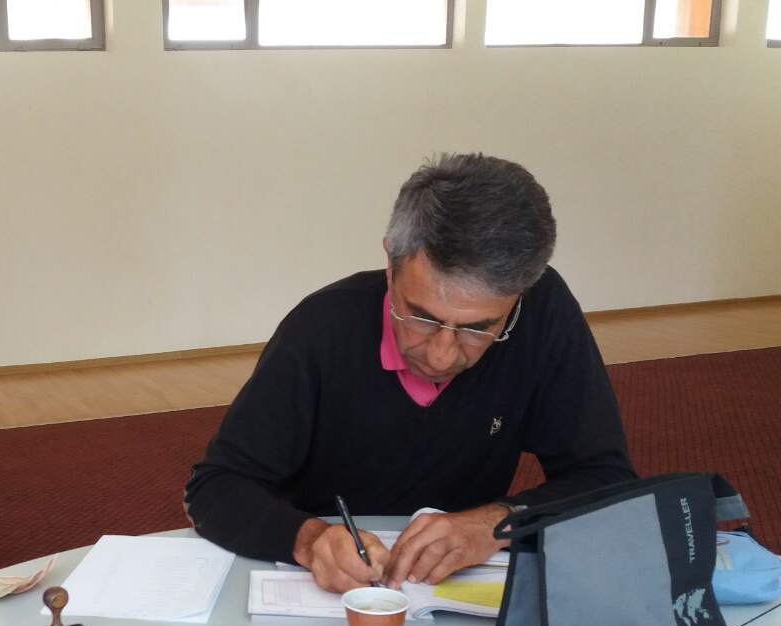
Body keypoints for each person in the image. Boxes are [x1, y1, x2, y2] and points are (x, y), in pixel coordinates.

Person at [185, 153, 636, 594]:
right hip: (328, 587)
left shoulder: (543, 312)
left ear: (521, 294)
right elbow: (214, 489)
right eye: (421, 317)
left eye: (479, 328)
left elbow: (607, 480)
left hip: (455, 587)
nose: (441, 357)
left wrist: (497, 523)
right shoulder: (322, 328)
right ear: (391, 262)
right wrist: (310, 541)